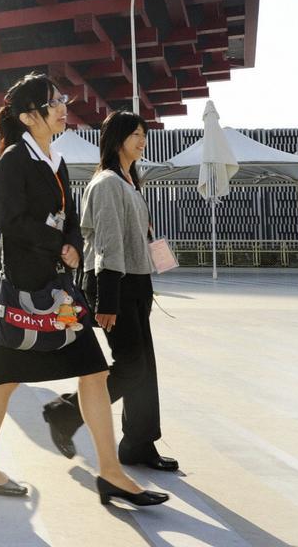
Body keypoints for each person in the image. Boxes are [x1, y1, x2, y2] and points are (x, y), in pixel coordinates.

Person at [0, 73, 167, 508]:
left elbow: (70, 215)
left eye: (60, 99)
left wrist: (72, 241)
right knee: (3, 381)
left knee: (93, 369)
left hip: (60, 294)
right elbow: (9, 220)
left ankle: (110, 473)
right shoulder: (15, 160)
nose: (62, 107)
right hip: (21, 292)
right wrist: (60, 244)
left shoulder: (54, 160)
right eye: (53, 102)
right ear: (28, 117)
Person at [41, 111, 179, 473]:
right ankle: (66, 412)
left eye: (143, 133)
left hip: (137, 282)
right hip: (114, 283)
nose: (142, 140)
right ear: (116, 138)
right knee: (131, 366)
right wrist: (107, 300)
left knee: (143, 367)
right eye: (135, 134)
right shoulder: (106, 184)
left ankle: (139, 443)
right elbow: (105, 246)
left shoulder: (131, 182)